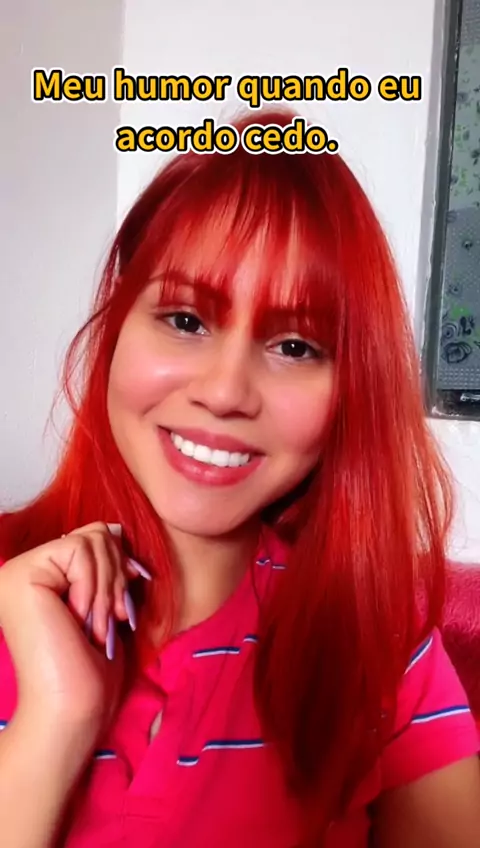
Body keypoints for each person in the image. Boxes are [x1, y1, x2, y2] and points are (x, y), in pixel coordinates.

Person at [0, 109, 479, 848]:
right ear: (118, 323)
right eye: (186, 321)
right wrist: (54, 722)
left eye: (295, 346)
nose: (225, 393)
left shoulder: (382, 644)